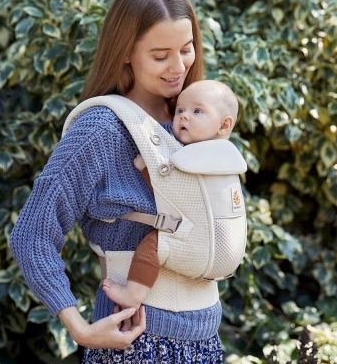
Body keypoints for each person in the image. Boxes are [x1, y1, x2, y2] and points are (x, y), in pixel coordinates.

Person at [10, 0, 224, 363]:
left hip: (205, 339)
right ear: (126, 52)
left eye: (186, 49)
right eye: (160, 55)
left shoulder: (195, 123)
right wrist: (79, 328)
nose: (179, 66)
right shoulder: (102, 130)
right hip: (137, 342)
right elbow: (32, 234)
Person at [102, 79, 239, 310]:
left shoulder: (196, 157)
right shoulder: (228, 158)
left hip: (198, 243)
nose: (184, 116)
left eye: (197, 111)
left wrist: (146, 169)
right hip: (222, 251)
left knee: (153, 244)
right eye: (180, 110)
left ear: (224, 125)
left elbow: (167, 191)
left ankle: (133, 293)